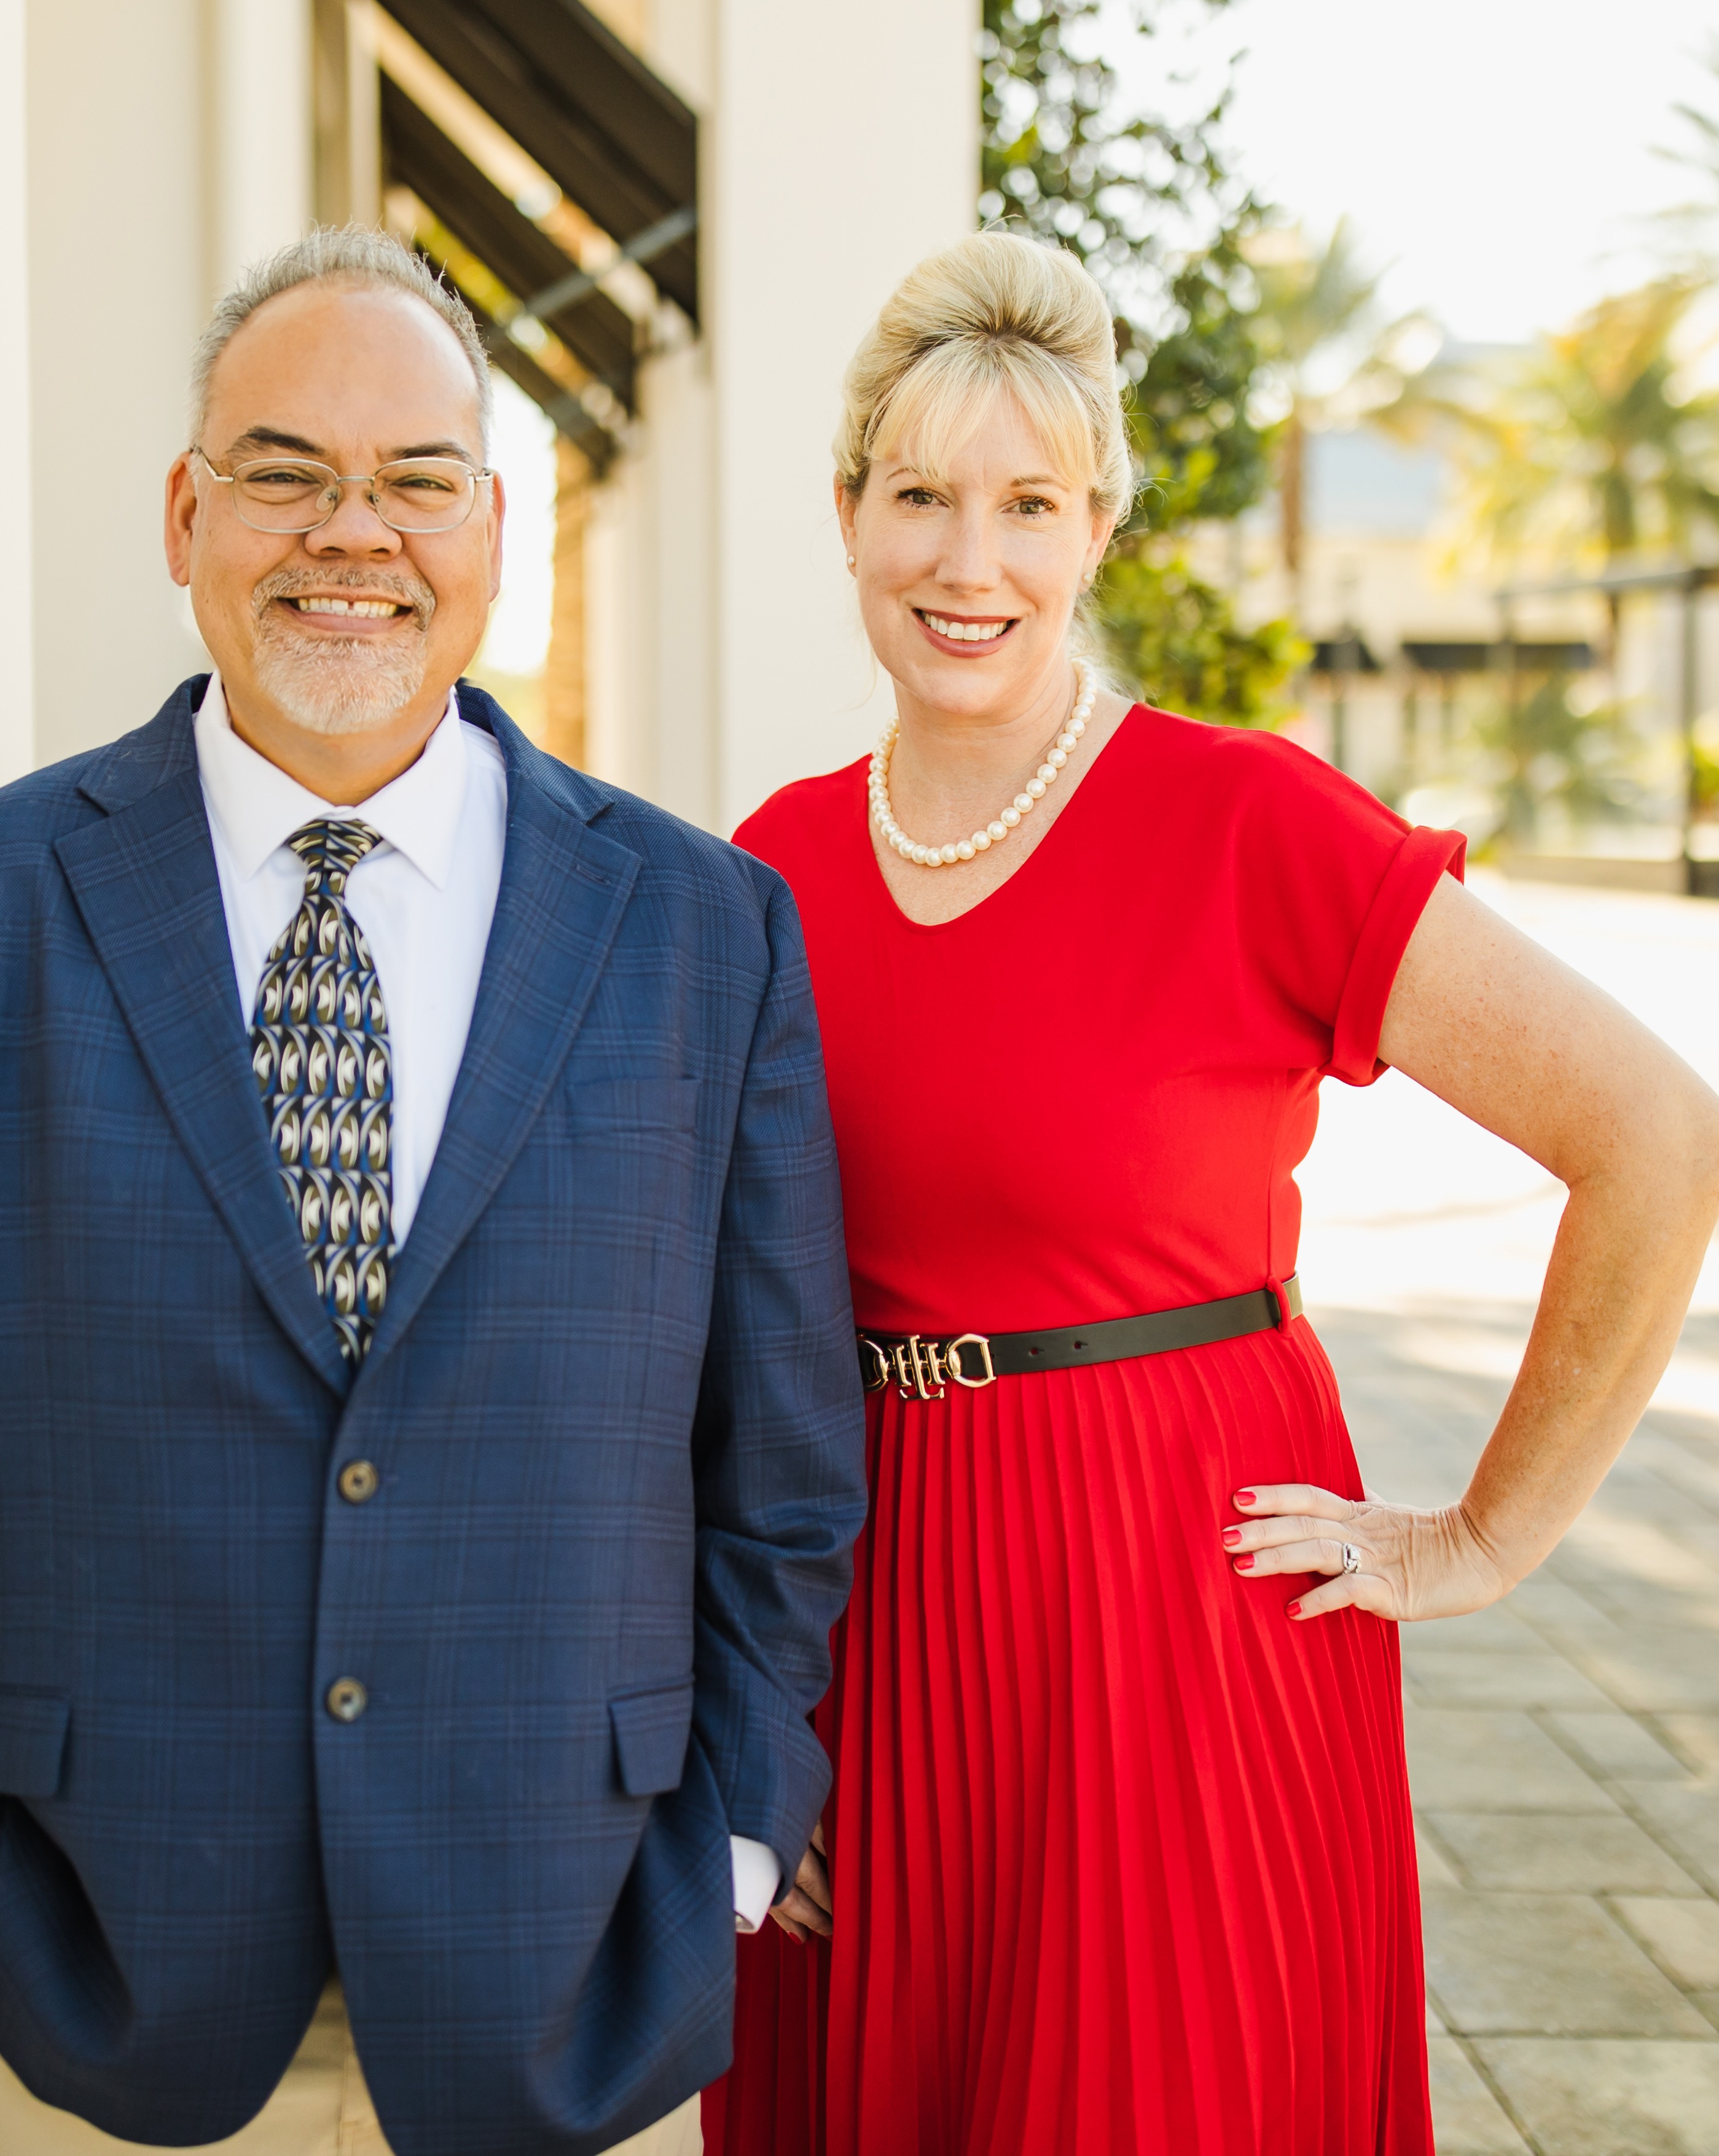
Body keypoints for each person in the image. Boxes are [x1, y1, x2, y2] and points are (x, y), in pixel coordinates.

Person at [0, 226, 867, 2156]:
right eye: (284, 471)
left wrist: (721, 1845)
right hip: (85, 1983)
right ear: (187, 513)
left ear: (493, 531)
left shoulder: (711, 934)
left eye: (417, 480)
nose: (349, 534)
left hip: (574, 1973)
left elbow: (781, 1464)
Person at [704, 229, 1719, 2156]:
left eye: (1027, 503)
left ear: (1100, 528)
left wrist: (1487, 1538)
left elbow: (1659, 1141)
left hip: (1171, 1616)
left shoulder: (1249, 821)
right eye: (918, 495)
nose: (967, 560)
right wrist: (748, 1722)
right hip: (867, 1617)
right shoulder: (775, 870)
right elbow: (704, 1321)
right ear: (848, 516)